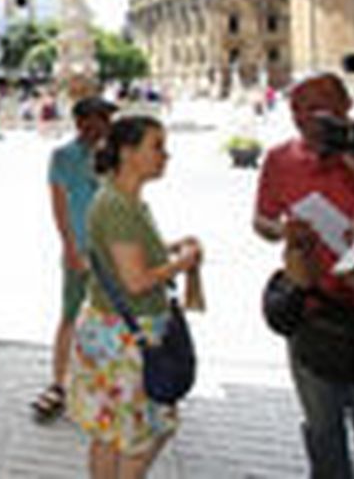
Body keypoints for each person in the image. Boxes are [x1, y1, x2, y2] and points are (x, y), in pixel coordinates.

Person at [253, 73, 354, 479]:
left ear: (344, 105)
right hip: (314, 311)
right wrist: (285, 231)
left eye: (314, 106)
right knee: (322, 425)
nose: (303, 117)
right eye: (296, 107)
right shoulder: (281, 158)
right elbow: (261, 221)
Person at [68, 115, 203, 478]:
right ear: (127, 152)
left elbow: (128, 257)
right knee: (140, 434)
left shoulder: (121, 199)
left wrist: (170, 248)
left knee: (111, 432)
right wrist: (184, 263)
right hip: (126, 336)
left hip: (113, 330)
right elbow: (136, 281)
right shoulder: (118, 206)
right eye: (156, 146)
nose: (165, 155)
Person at [31, 95, 117, 423]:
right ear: (82, 122)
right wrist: (68, 246)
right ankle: (58, 382)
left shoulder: (115, 156)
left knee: (111, 319)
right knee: (69, 314)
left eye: (107, 119)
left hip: (114, 252)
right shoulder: (63, 157)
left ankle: (106, 384)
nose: (105, 125)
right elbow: (59, 205)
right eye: (99, 118)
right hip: (81, 249)